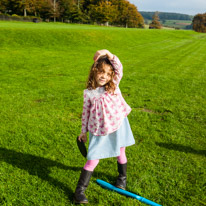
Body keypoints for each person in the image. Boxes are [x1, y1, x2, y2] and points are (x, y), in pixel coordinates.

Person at [74, 49, 135, 204]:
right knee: (93, 159)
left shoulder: (113, 84)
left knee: (120, 152)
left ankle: (122, 179)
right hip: (98, 129)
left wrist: (109, 54)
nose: (104, 76)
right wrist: (83, 132)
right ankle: (79, 191)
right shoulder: (88, 93)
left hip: (118, 124)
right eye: (101, 72)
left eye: (108, 74)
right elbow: (85, 113)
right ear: (94, 71)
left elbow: (119, 68)